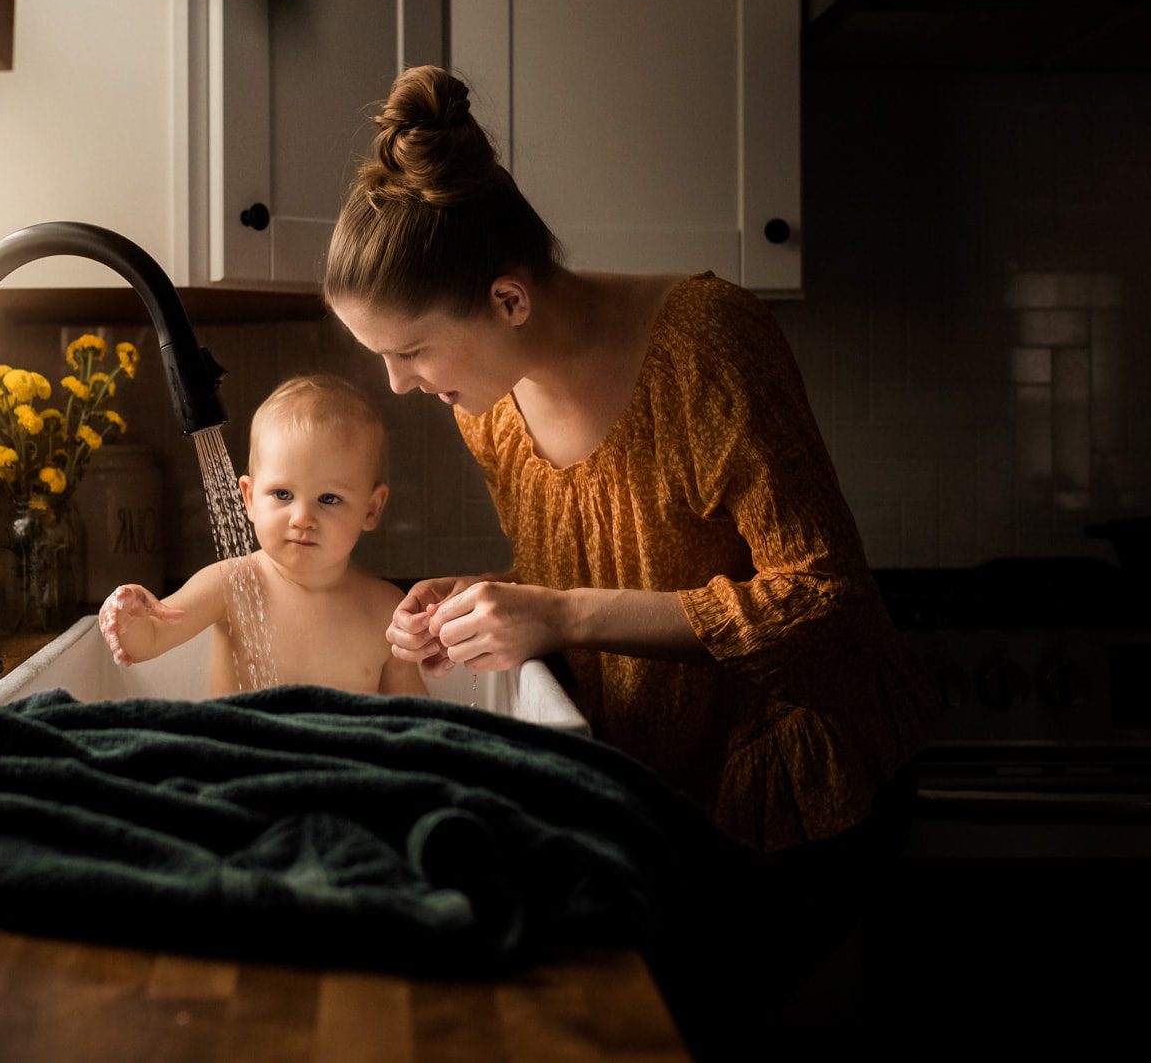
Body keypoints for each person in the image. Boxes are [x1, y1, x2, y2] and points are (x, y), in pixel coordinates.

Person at [324, 64, 941, 1010]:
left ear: (510, 299)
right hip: (663, 790)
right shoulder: (485, 405)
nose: (400, 384)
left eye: (410, 350)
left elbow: (826, 604)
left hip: (803, 784)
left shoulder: (708, 342)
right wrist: (486, 601)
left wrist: (560, 611)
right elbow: (593, 572)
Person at [98, 375, 426, 698]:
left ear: (371, 509)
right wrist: (128, 620)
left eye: (328, 499)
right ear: (250, 498)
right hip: (242, 751)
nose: (302, 519)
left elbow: (415, 717)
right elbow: (149, 639)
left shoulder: (387, 611)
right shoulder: (231, 584)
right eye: (282, 494)